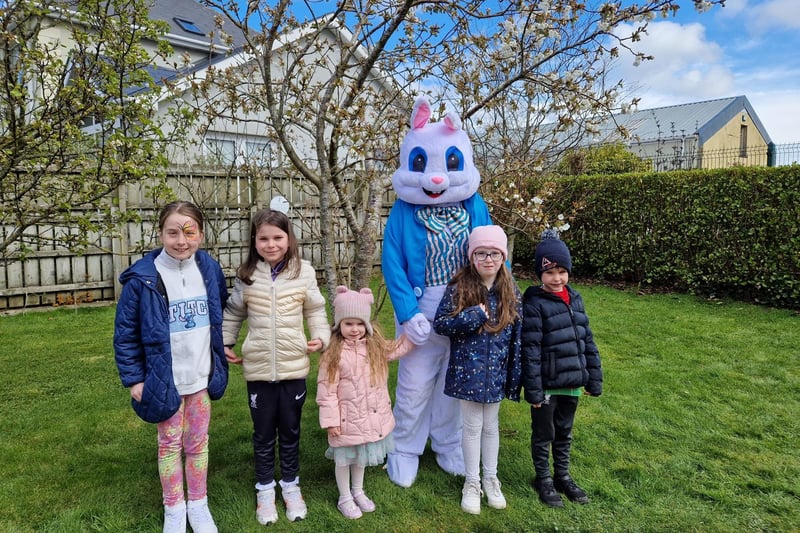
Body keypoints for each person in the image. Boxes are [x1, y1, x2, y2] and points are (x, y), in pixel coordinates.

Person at [114, 201, 229, 533]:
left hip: (200, 377)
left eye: (190, 232)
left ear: (201, 234)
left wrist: (222, 352)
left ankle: (198, 504)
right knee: (169, 444)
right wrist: (135, 378)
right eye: (173, 232)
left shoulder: (208, 268)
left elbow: (219, 312)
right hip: (165, 380)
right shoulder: (142, 279)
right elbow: (125, 333)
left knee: (197, 443)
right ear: (161, 233)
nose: (182, 241)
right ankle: (174, 508)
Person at [222, 208, 331, 525]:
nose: (271, 244)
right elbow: (232, 313)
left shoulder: (304, 272)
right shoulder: (247, 275)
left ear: (289, 238)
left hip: (294, 368)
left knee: (291, 431)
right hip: (257, 370)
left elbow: (315, 311)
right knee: (263, 433)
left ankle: (291, 485)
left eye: (278, 237)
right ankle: (265, 489)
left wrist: (321, 337)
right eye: (264, 238)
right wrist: (226, 342)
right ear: (254, 241)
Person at [433, 225, 522, 515]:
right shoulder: (459, 286)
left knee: (491, 426)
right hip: (468, 370)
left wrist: (514, 372)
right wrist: (470, 317)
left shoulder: (510, 289)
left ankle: (491, 478)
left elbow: (517, 334)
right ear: (472, 256)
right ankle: (472, 483)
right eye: (481, 253)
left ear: (502, 256)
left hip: (496, 370)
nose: (488, 259)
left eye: (494, 253)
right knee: (471, 426)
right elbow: (442, 323)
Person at [316, 286, 415, 519]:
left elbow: (397, 349)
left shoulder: (374, 347)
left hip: (368, 418)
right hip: (346, 420)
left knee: (361, 457)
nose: (355, 329)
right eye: (348, 323)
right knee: (344, 460)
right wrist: (331, 420)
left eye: (360, 324)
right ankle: (344, 497)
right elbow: (326, 391)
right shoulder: (333, 354)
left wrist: (415, 332)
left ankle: (358, 491)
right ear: (339, 324)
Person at [521, 229, 603, 508]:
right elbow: (530, 350)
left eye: (561, 271)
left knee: (564, 432)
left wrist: (593, 378)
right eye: (550, 272)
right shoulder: (534, 303)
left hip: (572, 382)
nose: (557, 278)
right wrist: (533, 390)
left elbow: (586, 339)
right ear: (540, 275)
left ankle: (562, 476)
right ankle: (543, 478)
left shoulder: (575, 298)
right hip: (546, 385)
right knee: (544, 434)